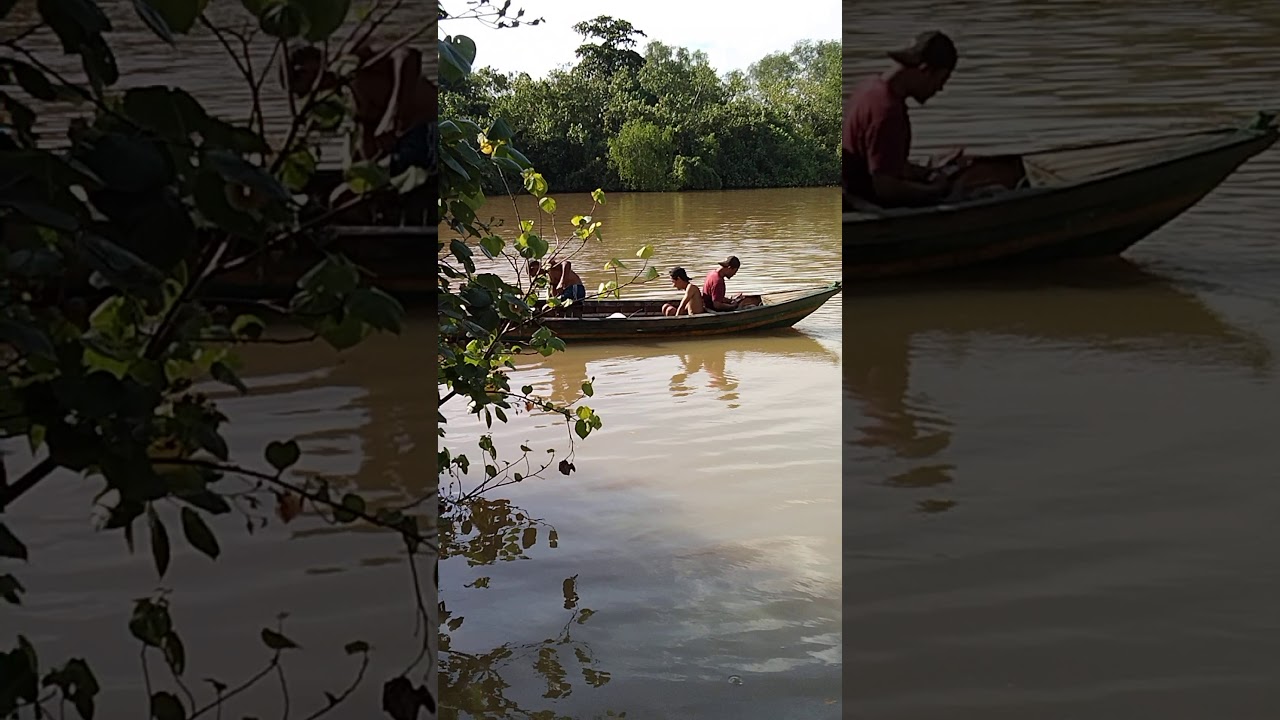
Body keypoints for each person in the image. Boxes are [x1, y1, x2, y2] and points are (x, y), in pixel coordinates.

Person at [843, 30, 967, 209]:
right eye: (942, 79)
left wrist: (925, 173)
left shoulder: (869, 87)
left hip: (852, 190)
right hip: (868, 203)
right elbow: (885, 188)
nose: (940, 89)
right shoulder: (888, 111)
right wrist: (936, 190)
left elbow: (880, 161)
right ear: (925, 70)